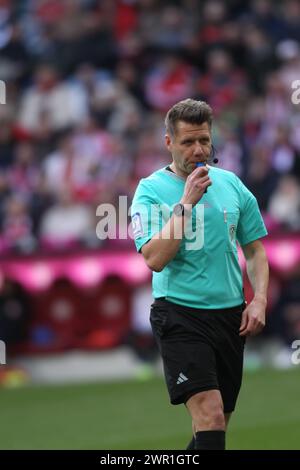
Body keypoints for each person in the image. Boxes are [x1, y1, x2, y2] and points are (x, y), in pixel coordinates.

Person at [131, 98, 269, 450]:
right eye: (188, 142)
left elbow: (254, 249)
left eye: (204, 140)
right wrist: (186, 203)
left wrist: (260, 300)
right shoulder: (149, 191)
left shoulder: (232, 185)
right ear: (168, 143)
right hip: (180, 314)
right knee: (211, 416)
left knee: (212, 426)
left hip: (229, 316)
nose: (198, 149)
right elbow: (154, 258)